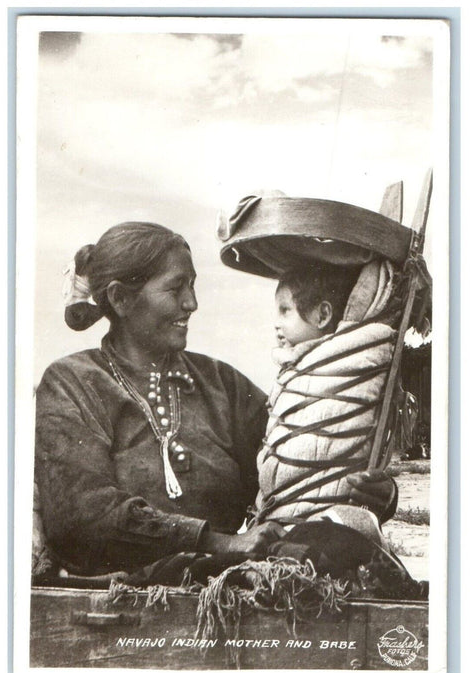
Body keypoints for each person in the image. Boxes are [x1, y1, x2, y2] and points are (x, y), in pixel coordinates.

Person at [33, 221, 396, 579]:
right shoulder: (72, 382)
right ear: (121, 298)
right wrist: (219, 543)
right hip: (111, 604)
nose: (192, 303)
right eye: (176, 289)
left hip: (224, 592)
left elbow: (293, 475)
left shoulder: (222, 385)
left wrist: (376, 494)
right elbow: (83, 516)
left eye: (192, 286)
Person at [253, 260, 398, 545]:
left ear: (322, 315)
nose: (276, 323)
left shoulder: (353, 359)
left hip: (322, 523)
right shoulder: (290, 377)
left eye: (285, 310)